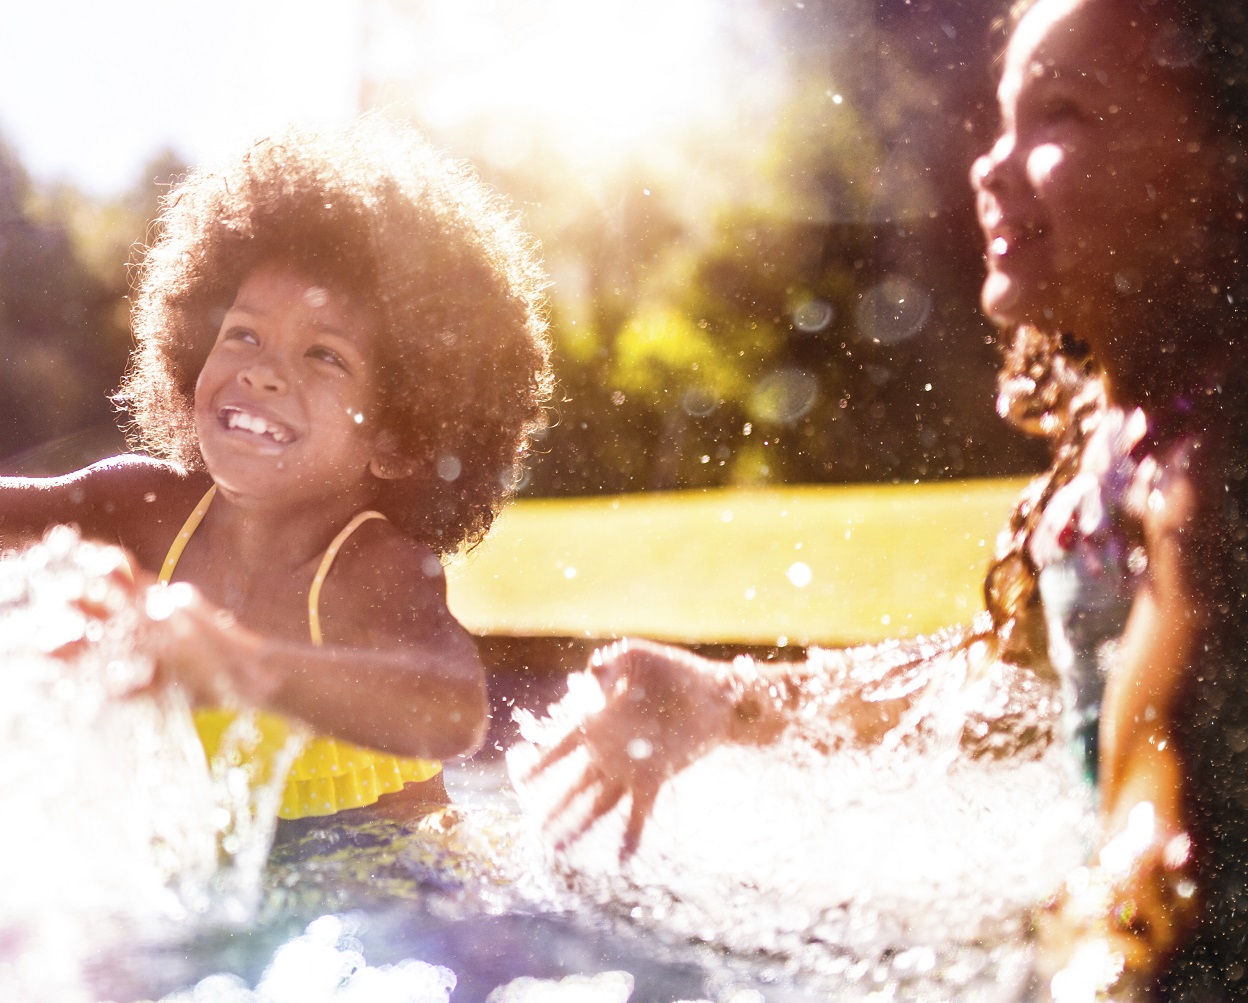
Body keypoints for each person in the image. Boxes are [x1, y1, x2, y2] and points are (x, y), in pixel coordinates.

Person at [513, 0, 1248, 994]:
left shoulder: (1209, 482)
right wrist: (731, 697)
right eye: (1003, 118)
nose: (992, 165)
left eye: (1062, 114)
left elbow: (1163, 867)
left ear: (1223, 169)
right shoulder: (1119, 450)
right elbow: (993, 685)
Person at [0, 125, 553, 825]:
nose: (264, 369)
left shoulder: (367, 564)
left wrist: (235, 663)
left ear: (398, 438)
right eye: (242, 332)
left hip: (387, 902)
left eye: (326, 357)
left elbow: (453, 708)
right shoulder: (143, 506)